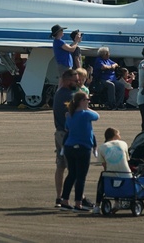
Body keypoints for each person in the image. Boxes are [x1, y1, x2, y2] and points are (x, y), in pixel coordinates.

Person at [58, 92, 98, 212]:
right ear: (81, 101)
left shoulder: (70, 115)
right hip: (83, 147)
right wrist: (86, 108)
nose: (88, 101)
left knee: (72, 174)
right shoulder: (86, 114)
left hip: (70, 147)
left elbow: (67, 128)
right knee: (81, 177)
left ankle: (64, 200)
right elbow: (97, 116)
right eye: (87, 99)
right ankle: (78, 203)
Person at [92, 127, 132, 214]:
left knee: (104, 178)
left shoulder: (102, 147)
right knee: (117, 177)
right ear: (114, 136)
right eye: (119, 134)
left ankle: (97, 205)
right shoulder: (123, 144)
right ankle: (117, 203)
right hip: (127, 175)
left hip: (111, 175)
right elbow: (127, 160)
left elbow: (105, 166)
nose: (120, 136)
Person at [53, 68, 77, 208]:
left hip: (59, 133)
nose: (77, 82)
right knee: (73, 167)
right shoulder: (70, 94)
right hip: (68, 134)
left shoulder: (59, 93)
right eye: (75, 80)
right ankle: (77, 197)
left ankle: (59, 197)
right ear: (68, 81)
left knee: (60, 166)